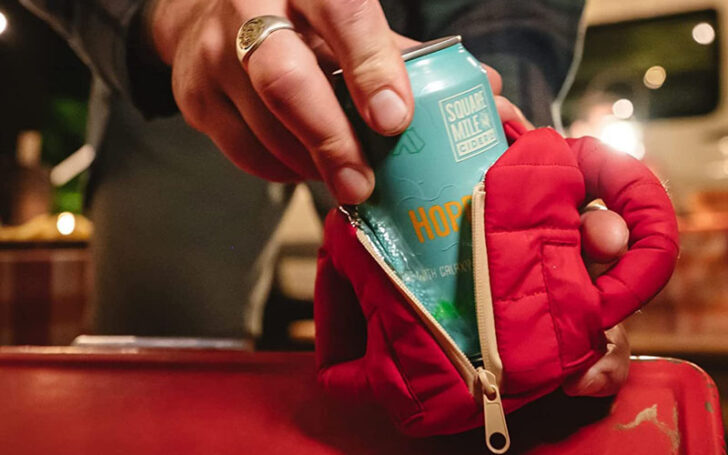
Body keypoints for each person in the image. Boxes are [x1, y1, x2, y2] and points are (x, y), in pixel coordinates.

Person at [22, 0, 629, 396]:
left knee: (499, 365)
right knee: (159, 378)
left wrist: (515, 158)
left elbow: (509, 17)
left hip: (424, 59)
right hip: (190, 69)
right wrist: (168, 15)